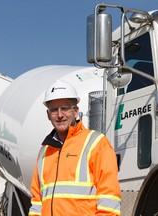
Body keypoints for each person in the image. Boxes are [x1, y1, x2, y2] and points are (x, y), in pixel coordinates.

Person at [28, 80, 121, 216]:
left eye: (65, 108)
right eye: (54, 110)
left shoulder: (96, 143)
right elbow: (37, 202)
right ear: (48, 115)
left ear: (76, 111)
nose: (60, 115)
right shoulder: (45, 151)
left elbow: (109, 197)